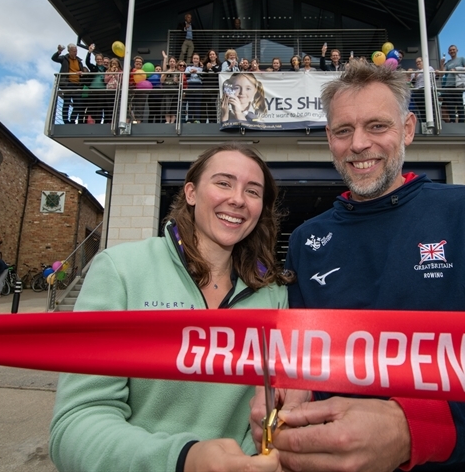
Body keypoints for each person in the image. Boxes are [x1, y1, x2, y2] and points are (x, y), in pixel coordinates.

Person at [249, 62, 465, 471]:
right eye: (343, 130)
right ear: (329, 138)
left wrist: (410, 430)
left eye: (377, 126)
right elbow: (305, 359)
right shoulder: (306, 240)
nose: (359, 144)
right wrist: (290, 391)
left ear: (407, 130)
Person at [49, 144, 290, 472]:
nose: (238, 198)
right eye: (223, 182)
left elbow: (274, 409)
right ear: (191, 192)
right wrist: (183, 460)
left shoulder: (274, 293)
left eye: (252, 190)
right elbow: (75, 426)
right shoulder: (121, 270)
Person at [52, 43, 86, 124]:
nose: (75, 53)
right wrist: (59, 52)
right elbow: (54, 58)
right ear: (69, 51)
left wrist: (81, 73)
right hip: (68, 84)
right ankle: (66, 121)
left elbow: (82, 71)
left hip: (77, 84)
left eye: (76, 51)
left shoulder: (79, 61)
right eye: (73, 51)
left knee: (78, 104)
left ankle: (72, 119)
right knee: (67, 102)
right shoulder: (64, 58)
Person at [439, 45, 465, 123]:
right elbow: (442, 73)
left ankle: (461, 121)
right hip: (448, 85)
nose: (452, 51)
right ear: (448, 52)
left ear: (457, 50)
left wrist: (457, 69)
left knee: (459, 103)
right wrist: (442, 64)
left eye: (453, 49)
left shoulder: (461, 59)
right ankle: (452, 120)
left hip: (457, 84)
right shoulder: (448, 62)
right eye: (450, 50)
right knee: (450, 105)